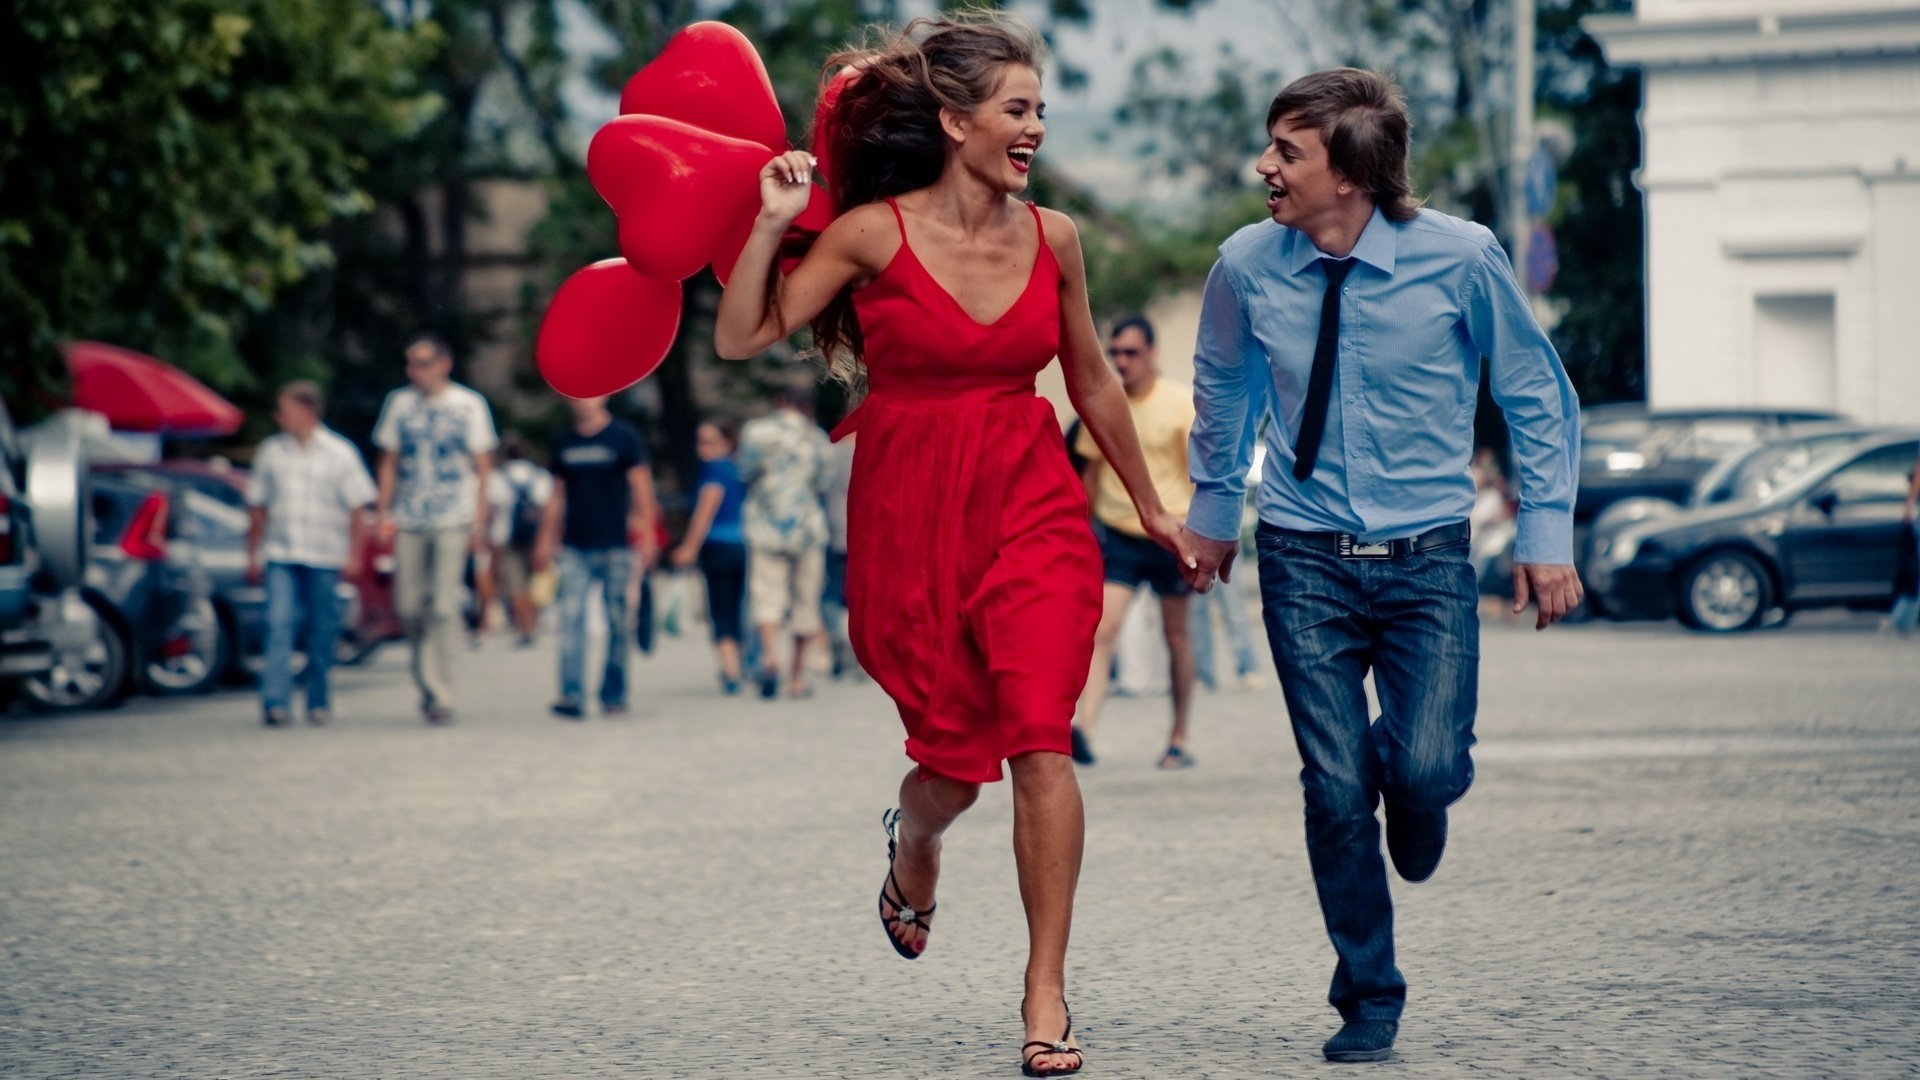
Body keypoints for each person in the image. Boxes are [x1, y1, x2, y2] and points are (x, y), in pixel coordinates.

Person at [714, 15, 1193, 1076]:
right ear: (953, 120)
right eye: (1016, 109)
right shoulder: (870, 235)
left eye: (1040, 110)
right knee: (954, 766)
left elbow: (1091, 378)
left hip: (1031, 499)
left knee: (1041, 738)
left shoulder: (1055, 237)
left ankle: (1044, 991)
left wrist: (1155, 508)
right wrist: (773, 222)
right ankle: (917, 838)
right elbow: (744, 334)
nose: (1035, 128)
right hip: (912, 515)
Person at [1182, 69, 1582, 1064]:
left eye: (1287, 151)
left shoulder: (1462, 258)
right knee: (1331, 788)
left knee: (1426, 765)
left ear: (1351, 173)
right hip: (1304, 556)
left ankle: (1414, 789)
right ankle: (1369, 994)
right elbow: (1224, 383)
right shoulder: (1245, 265)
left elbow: (1533, 390)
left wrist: (1546, 535)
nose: (1265, 167)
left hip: (1428, 557)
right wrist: (1215, 512)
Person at [1070, 315, 1200, 770]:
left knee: (1176, 636)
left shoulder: (1180, 404)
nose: (1122, 361)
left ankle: (1179, 736)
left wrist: (1202, 533)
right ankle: (1084, 729)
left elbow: (1201, 474)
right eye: (1115, 353)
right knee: (1102, 629)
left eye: (1130, 352)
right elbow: (1090, 473)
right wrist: (1083, 531)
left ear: (1151, 351)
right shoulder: (1106, 403)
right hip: (1121, 535)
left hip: (1172, 535)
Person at [373, 334, 498, 725]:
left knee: (444, 606)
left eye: (423, 364)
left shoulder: (468, 404)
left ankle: (442, 693)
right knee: (408, 606)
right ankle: (427, 681)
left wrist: (480, 518)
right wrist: (383, 511)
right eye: (411, 364)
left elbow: (483, 467)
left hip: (454, 514)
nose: (416, 372)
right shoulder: (399, 404)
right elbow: (389, 461)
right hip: (409, 515)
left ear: (444, 364)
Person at [244, 381, 376, 727]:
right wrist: (253, 553)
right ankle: (276, 701)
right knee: (278, 623)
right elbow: (257, 506)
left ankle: (318, 699)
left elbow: (357, 508)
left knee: (321, 629)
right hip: (281, 552)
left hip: (324, 554)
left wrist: (355, 554)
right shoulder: (272, 452)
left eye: (284, 411)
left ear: (306, 411)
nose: (278, 417)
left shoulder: (340, 452)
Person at [533, 394, 656, 719]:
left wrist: (648, 537)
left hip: (617, 543)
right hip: (575, 545)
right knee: (571, 616)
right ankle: (571, 694)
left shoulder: (624, 437)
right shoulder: (565, 441)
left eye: (590, 394)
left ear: (605, 395)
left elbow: (642, 489)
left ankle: (613, 693)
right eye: (577, 395)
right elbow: (557, 495)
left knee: (618, 620)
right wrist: (545, 540)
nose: (584, 401)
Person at [736, 381, 833, 700]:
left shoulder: (755, 432)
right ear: (808, 406)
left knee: (766, 596)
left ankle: (771, 658)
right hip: (807, 527)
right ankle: (796, 676)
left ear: (780, 401)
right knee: (806, 601)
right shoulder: (816, 437)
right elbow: (823, 481)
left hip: (766, 525)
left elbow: (745, 472)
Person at [670, 419, 750, 693]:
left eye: (709, 441)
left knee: (720, 608)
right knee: (738, 606)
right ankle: (738, 661)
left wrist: (689, 547)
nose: (701, 447)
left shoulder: (713, 470)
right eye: (699, 441)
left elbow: (706, 510)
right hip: (743, 545)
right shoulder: (739, 468)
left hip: (718, 546)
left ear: (726, 442)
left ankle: (730, 669)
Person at [492, 433, 552, 647]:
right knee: (534, 583)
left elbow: (492, 507)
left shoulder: (498, 477)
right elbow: (549, 508)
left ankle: (523, 626)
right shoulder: (540, 476)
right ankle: (533, 623)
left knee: (515, 584)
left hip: (506, 537)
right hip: (537, 537)